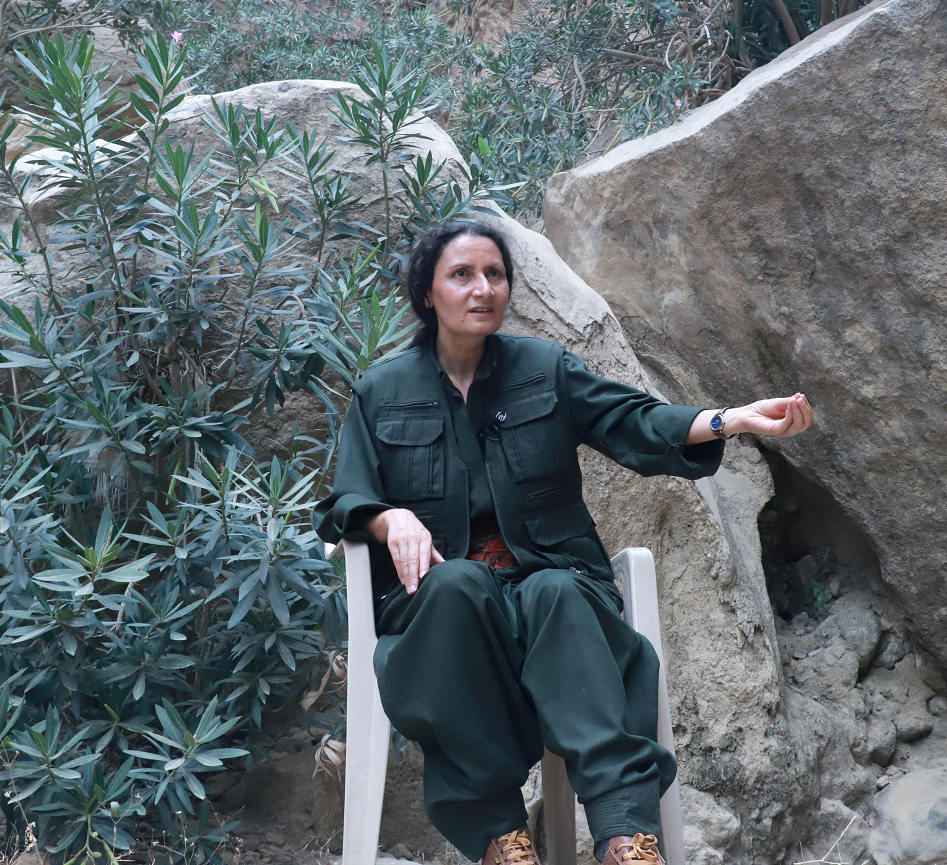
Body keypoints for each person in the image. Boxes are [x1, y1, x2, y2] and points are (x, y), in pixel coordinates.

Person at [313, 220, 813, 865]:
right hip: (442, 609)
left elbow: (630, 418)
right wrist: (390, 520)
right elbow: (343, 503)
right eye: (461, 275)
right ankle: (501, 837)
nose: (482, 288)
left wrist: (729, 420)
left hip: (556, 582)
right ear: (427, 293)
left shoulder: (545, 369)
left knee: (555, 589)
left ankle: (626, 837)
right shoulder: (382, 390)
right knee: (458, 582)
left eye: (495, 274)